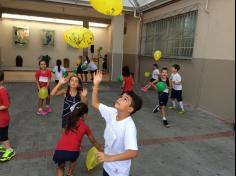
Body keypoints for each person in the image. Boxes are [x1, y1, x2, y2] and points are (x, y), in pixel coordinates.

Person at [92, 70, 143, 176]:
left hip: (118, 172)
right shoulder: (112, 112)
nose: (120, 99)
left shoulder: (129, 126)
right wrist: (96, 85)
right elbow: (95, 103)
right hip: (107, 166)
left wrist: (109, 158)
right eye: (121, 96)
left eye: (125, 99)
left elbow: (133, 152)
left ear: (130, 109)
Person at [53, 102, 103, 176]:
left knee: (60, 168)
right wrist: (102, 151)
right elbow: (94, 142)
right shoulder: (85, 127)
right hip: (73, 152)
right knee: (73, 160)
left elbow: (64, 132)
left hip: (59, 150)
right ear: (84, 115)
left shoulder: (69, 121)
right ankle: (70, 173)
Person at [0, 70, 16, 162]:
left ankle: (10, 150)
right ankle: (3, 146)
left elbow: (6, 104)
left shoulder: (2, 91)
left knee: (3, 136)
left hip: (2, 118)